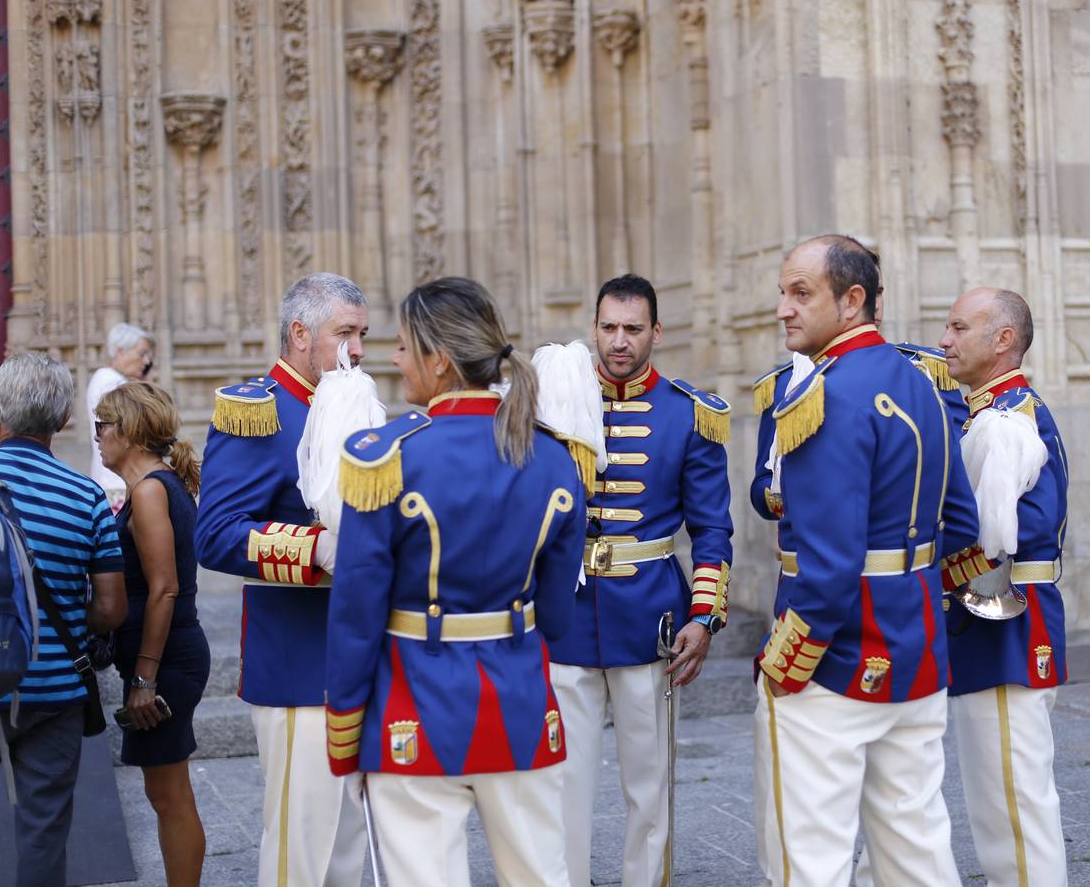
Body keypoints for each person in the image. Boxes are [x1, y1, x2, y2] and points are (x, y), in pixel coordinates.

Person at [324, 277, 585, 885]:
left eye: (404, 346)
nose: (394, 358)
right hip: (520, 698)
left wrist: (344, 727)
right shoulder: (551, 456)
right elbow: (558, 612)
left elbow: (357, 610)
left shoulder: (384, 456)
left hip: (412, 701)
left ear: (439, 361)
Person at [750, 243, 979, 886]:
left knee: (810, 855)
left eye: (801, 293)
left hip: (836, 654)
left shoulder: (824, 396)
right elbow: (960, 521)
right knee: (916, 846)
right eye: (783, 292)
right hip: (917, 639)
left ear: (854, 301)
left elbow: (828, 566)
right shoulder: (925, 380)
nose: (782, 309)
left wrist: (788, 657)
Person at [545, 273, 733, 887]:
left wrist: (703, 617)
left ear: (656, 331)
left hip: (649, 614)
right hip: (566, 614)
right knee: (560, 779)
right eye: (608, 327)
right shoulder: (557, 404)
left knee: (648, 786)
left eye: (632, 328)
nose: (619, 341)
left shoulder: (690, 414)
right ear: (593, 329)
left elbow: (712, 531)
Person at [195, 273, 369, 887]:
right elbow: (215, 533)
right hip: (296, 654)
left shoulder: (347, 405)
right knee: (303, 847)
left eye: (363, 334)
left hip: (357, 651)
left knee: (349, 846)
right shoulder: (259, 412)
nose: (359, 350)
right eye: (344, 334)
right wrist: (317, 548)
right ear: (300, 334)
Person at [939, 287, 1070, 886]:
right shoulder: (996, 410)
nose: (946, 339)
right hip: (996, 622)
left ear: (1003, 341)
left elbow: (989, 538)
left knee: (1012, 808)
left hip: (1003, 621)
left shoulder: (1003, 419)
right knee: (1001, 800)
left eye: (959, 327)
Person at [0, 352, 127, 886]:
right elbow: (112, 608)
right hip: (54, 690)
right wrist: (68, 619)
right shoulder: (85, 495)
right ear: (66, 418)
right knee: (43, 828)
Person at [95, 381, 209, 886]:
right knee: (165, 793)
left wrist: (144, 678)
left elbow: (164, 589)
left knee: (169, 795)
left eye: (103, 425)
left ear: (130, 431)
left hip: (164, 660)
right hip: (164, 656)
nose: (97, 436)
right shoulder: (158, 485)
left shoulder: (148, 490)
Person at [88, 322, 155, 511]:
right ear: (120, 352)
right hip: (117, 483)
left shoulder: (107, 379)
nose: (147, 361)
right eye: (142, 354)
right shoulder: (112, 382)